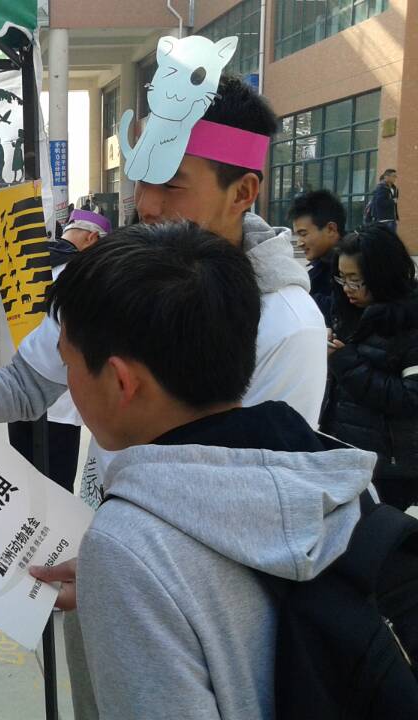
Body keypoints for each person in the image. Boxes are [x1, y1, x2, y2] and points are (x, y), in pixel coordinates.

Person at [0, 74, 327, 719]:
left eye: (172, 183)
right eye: (141, 180)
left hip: (198, 598)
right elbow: (27, 382)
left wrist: (131, 562)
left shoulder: (288, 326)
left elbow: (266, 506)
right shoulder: (112, 280)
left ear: (243, 192)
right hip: (106, 550)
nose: (148, 204)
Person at [52, 221, 373, 720]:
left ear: (120, 381)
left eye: (68, 363)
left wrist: (126, 577)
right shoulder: (334, 475)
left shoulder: (128, 544)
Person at [8, 208, 112, 493]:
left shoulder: (27, 264)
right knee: (56, 490)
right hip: (60, 401)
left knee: (21, 485)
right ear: (92, 238)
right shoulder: (84, 276)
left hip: (15, 391)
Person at [320, 225, 418, 511]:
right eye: (342, 277)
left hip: (389, 470)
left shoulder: (410, 324)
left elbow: (411, 398)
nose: (347, 288)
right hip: (346, 455)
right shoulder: (349, 314)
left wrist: (344, 362)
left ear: (382, 276)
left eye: (356, 280)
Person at [289, 190, 346, 320]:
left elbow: (339, 309)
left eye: (303, 234)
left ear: (331, 229)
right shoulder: (320, 265)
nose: (299, 243)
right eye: (297, 235)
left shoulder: (354, 264)